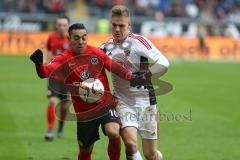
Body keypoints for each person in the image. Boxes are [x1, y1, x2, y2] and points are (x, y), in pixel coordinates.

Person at [30, 23, 145, 160]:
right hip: (84, 113)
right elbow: (45, 73)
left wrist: (132, 77)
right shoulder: (63, 59)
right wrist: (38, 65)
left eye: (84, 38)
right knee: (85, 152)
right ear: (69, 39)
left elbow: (113, 66)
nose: (81, 42)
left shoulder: (96, 53)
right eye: (76, 38)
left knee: (113, 132)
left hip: (105, 106)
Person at [101, 5, 170, 160]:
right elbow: (91, 65)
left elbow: (164, 62)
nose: (117, 29)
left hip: (146, 102)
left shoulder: (139, 41)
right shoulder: (105, 48)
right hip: (123, 102)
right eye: (114, 25)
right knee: (131, 146)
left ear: (129, 25)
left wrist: (146, 74)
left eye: (121, 26)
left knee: (150, 154)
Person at [43, 15, 71, 140]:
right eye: (59, 25)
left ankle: (61, 125)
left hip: (67, 79)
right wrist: (46, 62)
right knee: (52, 102)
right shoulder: (51, 37)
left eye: (64, 25)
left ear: (68, 26)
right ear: (56, 25)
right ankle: (50, 130)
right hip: (54, 77)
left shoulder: (72, 39)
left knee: (64, 107)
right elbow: (48, 51)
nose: (61, 27)